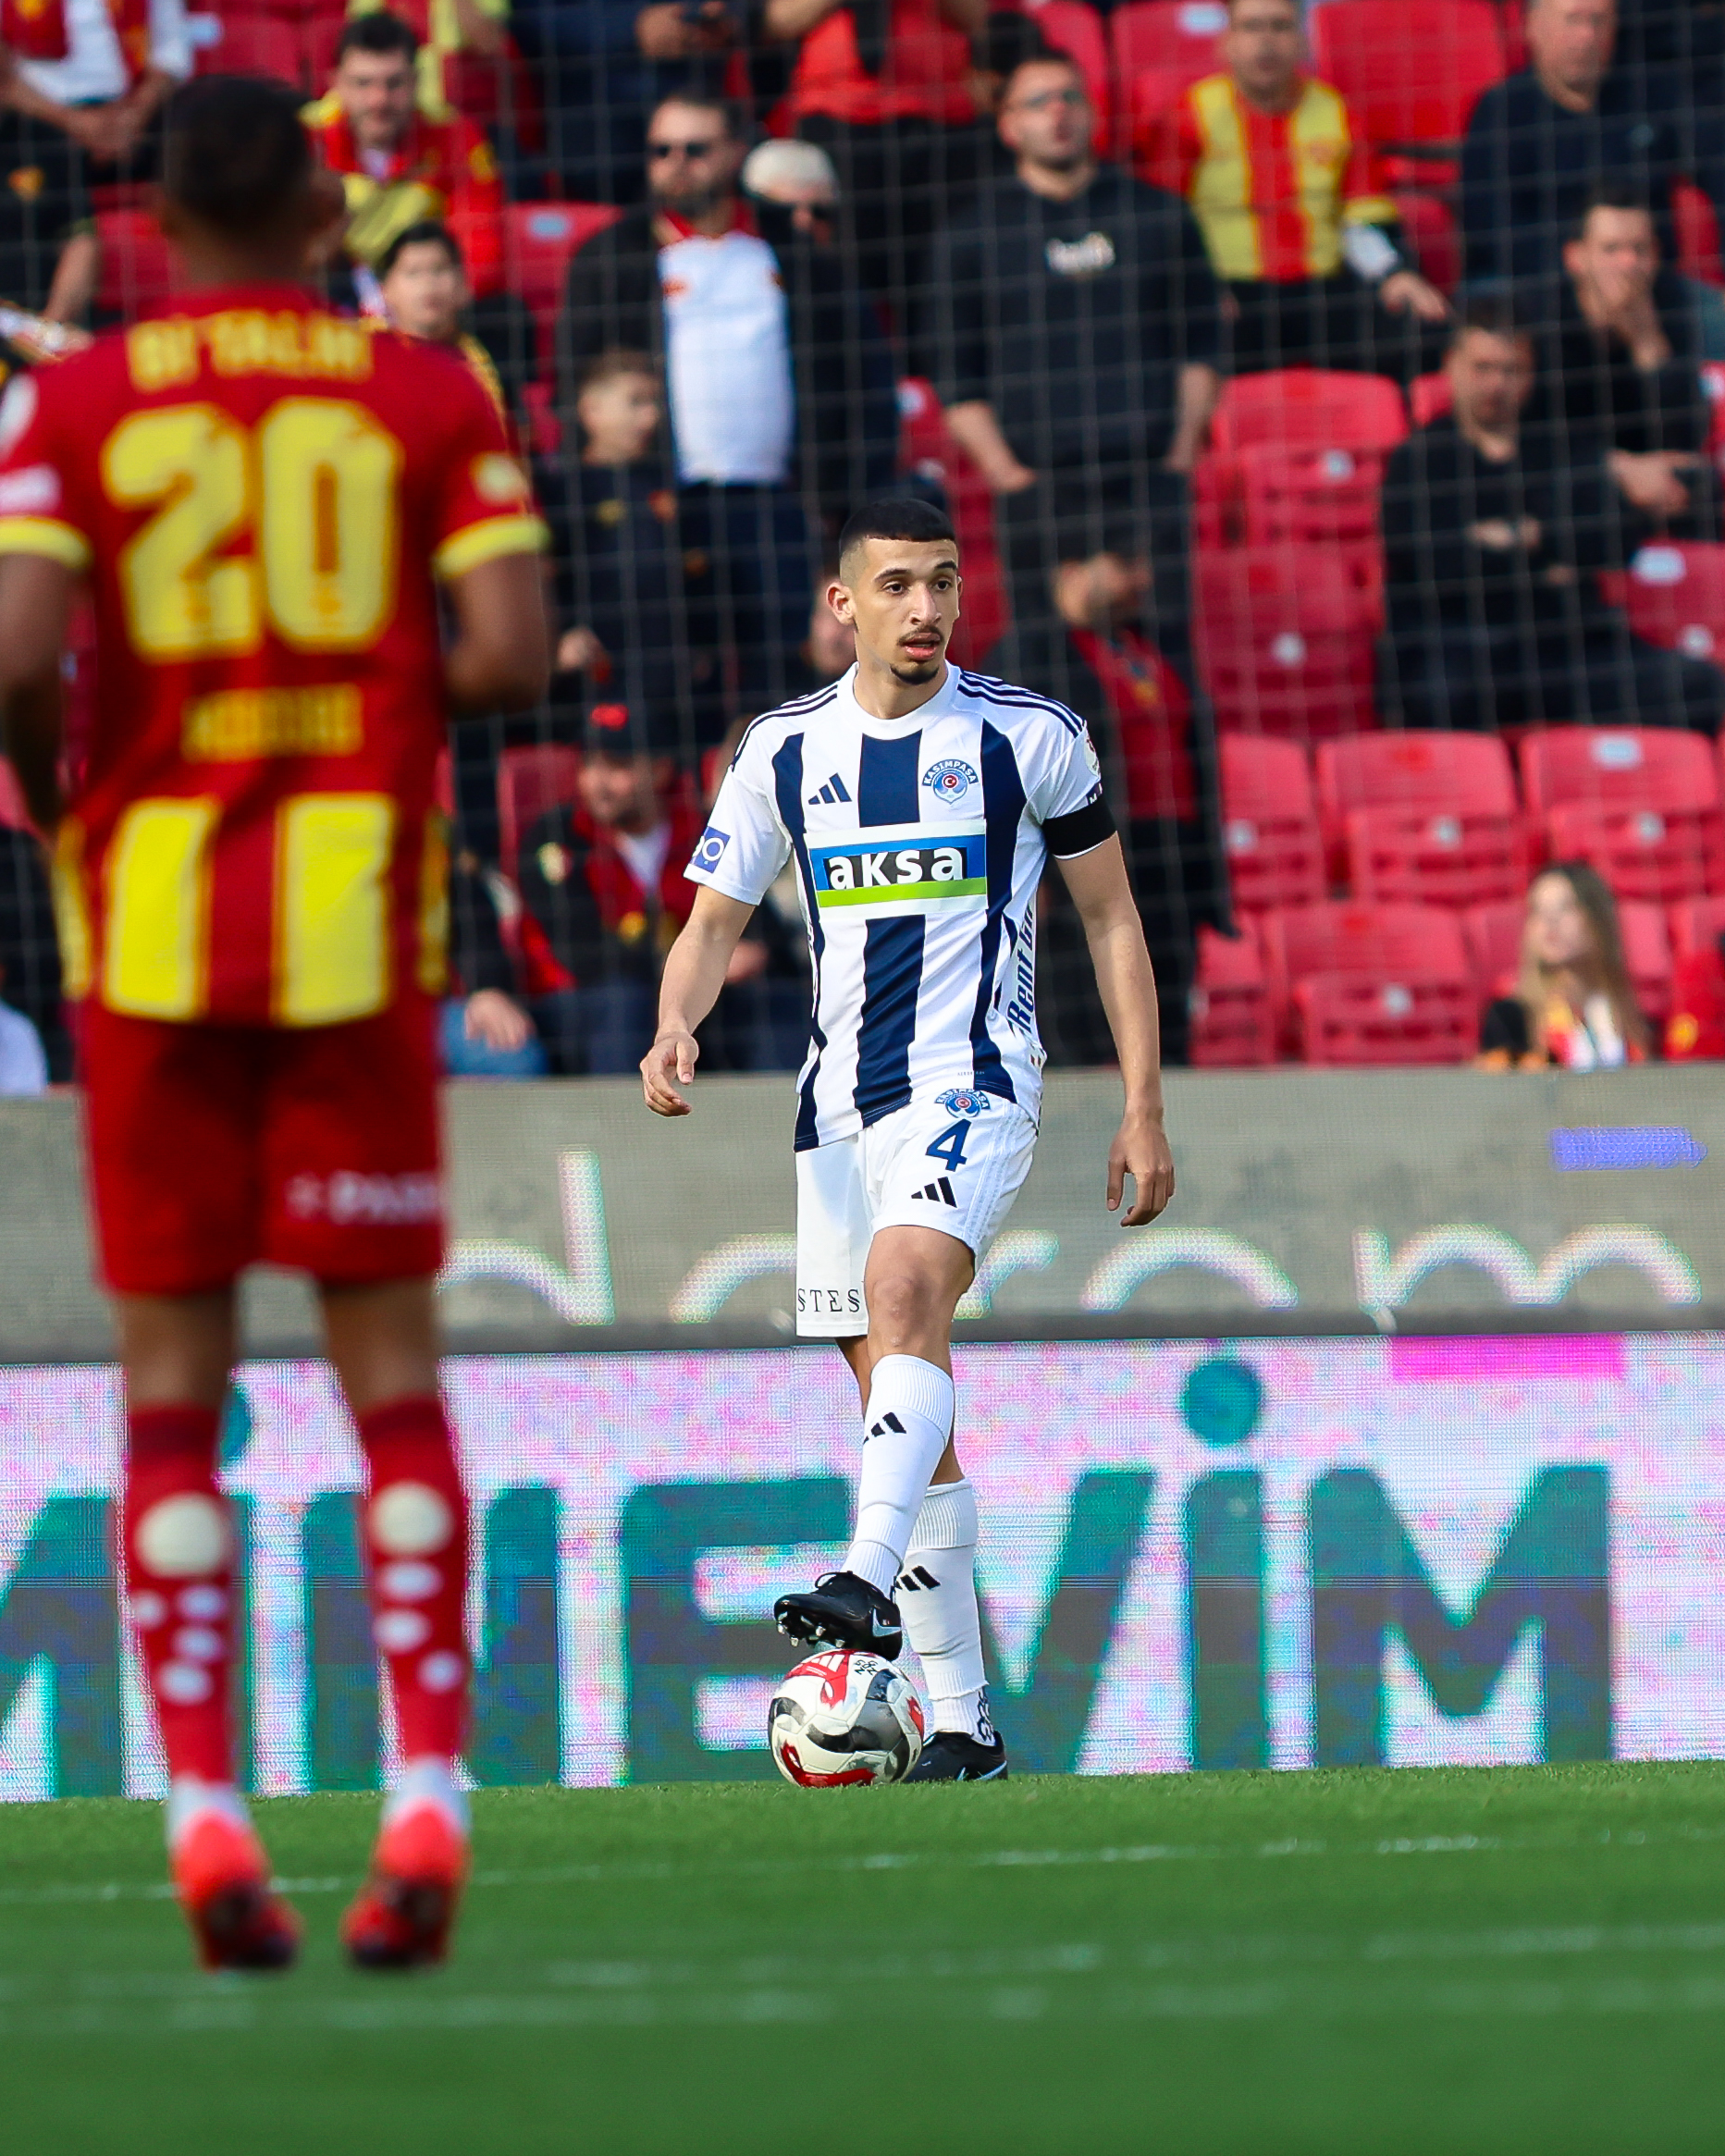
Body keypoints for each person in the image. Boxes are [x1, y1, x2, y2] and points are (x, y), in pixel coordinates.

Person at [0, 76, 548, 1970]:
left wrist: (63, 796)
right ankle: (425, 1792)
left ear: (151, 224)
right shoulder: (423, 393)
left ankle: (206, 1815)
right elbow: (509, 652)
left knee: (170, 1399)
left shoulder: (78, 403)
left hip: (148, 931)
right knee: (390, 1384)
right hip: (349, 927)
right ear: (328, 216)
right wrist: (365, 691)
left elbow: (15, 655)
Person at [639, 497, 1175, 1781]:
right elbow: (711, 923)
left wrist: (1143, 1102)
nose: (925, 607)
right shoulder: (782, 748)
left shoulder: (1028, 737)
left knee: (903, 1291)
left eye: (942, 580)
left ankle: (861, 1581)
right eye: (896, 585)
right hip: (835, 1111)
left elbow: (1110, 918)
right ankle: (965, 1728)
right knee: (904, 1405)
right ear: (844, 603)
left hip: (974, 1079)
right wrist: (671, 1023)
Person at [559, 92, 897, 745]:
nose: (676, 164)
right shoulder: (611, 259)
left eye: (695, 149)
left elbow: (861, 385)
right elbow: (577, 391)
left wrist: (843, 521)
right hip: (659, 512)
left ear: (736, 152)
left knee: (787, 687)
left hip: (779, 509)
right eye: (661, 150)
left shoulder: (792, 254)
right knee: (676, 694)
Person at [928, 51, 1223, 664]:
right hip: (1039, 487)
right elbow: (956, 378)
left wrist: (1177, 456)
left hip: (1147, 478)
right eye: (1038, 102)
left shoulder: (1158, 215)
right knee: (1048, 671)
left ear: (1092, 113)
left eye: (1070, 97)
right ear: (1009, 125)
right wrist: (1009, 475)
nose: (1058, 113)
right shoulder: (971, 236)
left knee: (1165, 661)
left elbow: (1200, 347)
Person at [1379, 297, 1724, 733]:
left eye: (1511, 370)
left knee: (1698, 686)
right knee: (1437, 695)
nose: (1496, 384)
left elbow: (1611, 541)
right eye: (1483, 368)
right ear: (1451, 366)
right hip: (1466, 647)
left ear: (1530, 374)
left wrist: (1522, 538)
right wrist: (1550, 549)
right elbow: (1439, 567)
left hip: (1566, 644)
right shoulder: (1419, 460)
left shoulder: (1560, 447)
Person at [983, 541, 1228, 1068]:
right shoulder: (1029, 654)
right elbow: (1005, 768)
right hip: (1085, 855)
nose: (1140, 580)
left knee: (1166, 1007)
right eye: (1123, 565)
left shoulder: (1152, 647)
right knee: (1086, 1011)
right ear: (1073, 571)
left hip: (1170, 858)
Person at [1141, 0, 1448, 382]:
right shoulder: (1189, 115)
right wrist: (1199, 287)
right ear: (1226, 43)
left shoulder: (1336, 112)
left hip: (1323, 289)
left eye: (1280, 26)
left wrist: (1394, 274)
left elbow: (1363, 213)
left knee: (1426, 329)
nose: (1266, 42)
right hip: (1232, 292)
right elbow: (1161, 221)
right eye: (1252, 27)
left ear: (1304, 42)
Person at [1460, 0, 1718, 289]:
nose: (1587, 34)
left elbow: (1715, 162)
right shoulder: (1502, 112)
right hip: (1536, 285)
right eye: (1573, 20)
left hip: (1644, 282)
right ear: (1533, 26)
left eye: (1598, 20)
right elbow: (1488, 225)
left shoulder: (1650, 94)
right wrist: (1587, 277)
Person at [515, 700, 709, 1072]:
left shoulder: (702, 832)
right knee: (624, 999)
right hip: (573, 1002)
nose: (598, 783)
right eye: (589, 765)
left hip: (681, 999)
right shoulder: (555, 837)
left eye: (618, 766)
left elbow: (757, 929)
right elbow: (583, 952)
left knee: (763, 998)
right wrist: (692, 967)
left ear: (661, 770)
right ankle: (623, 1112)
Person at [769, 0, 987, 322]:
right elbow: (779, 21)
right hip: (838, 122)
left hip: (937, 120)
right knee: (846, 269)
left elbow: (977, 16)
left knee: (939, 270)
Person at [1525, 186, 1718, 537]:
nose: (1628, 264)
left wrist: (1649, 346)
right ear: (1575, 258)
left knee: (1703, 483)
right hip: (1574, 478)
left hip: (1656, 474)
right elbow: (1535, 439)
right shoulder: (1541, 323)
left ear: (1655, 256)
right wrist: (1622, 468)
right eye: (1611, 249)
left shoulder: (1670, 309)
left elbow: (1687, 435)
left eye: (1639, 249)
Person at [304, 13, 506, 302]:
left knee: (500, 307)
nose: (379, 100)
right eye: (363, 83)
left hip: (424, 295)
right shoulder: (304, 137)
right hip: (329, 296)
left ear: (416, 81)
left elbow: (481, 250)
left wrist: (429, 301)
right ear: (336, 83)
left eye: (394, 83)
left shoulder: (456, 137)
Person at [1477, 862, 1651, 1066]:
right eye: (1538, 910)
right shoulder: (1510, 1017)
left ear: (1598, 919)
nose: (1550, 921)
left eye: (1566, 907)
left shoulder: (1635, 1014)